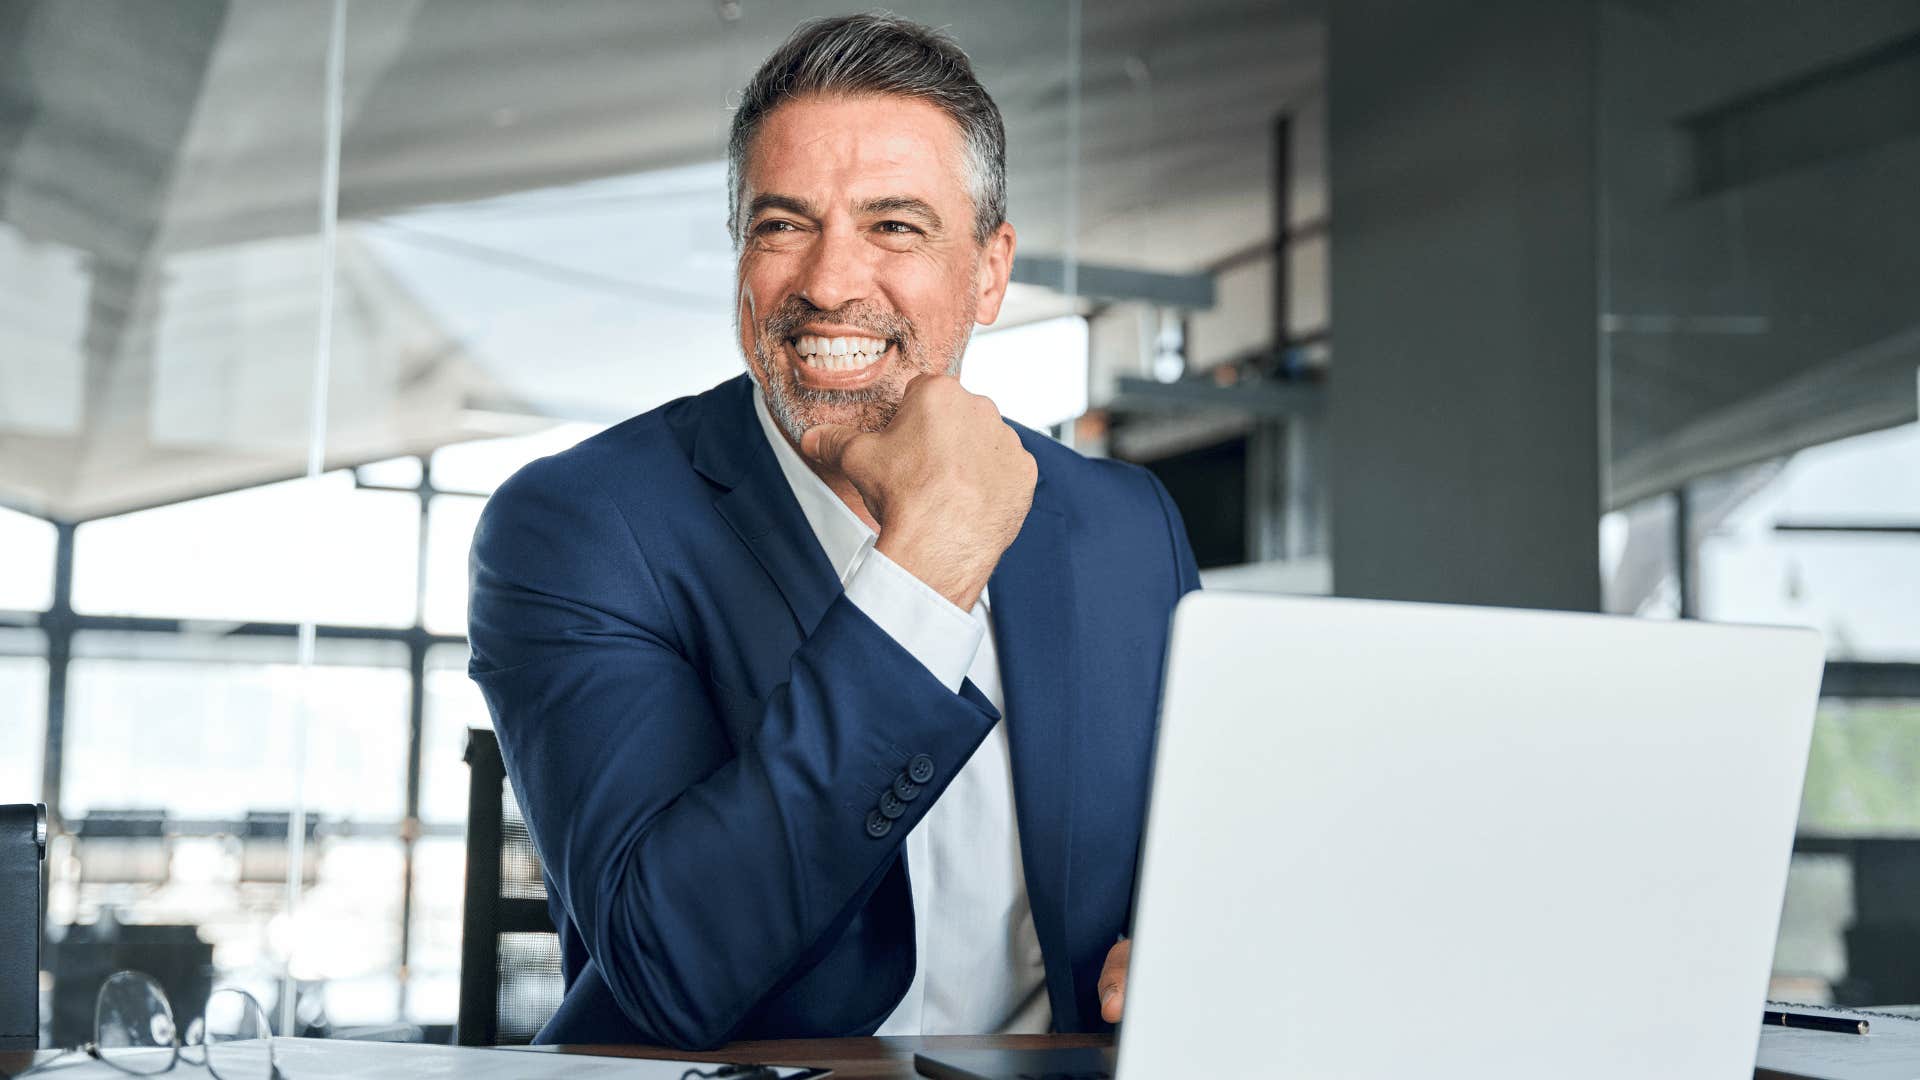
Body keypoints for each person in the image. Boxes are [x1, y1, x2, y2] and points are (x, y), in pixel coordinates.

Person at [468, 13, 1199, 1050]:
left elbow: (1202, 850)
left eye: (894, 226)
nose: (826, 283)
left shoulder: (1126, 527)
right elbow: (671, 967)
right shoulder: (579, 526)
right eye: (781, 225)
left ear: (989, 273)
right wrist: (926, 567)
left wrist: (1183, 939)